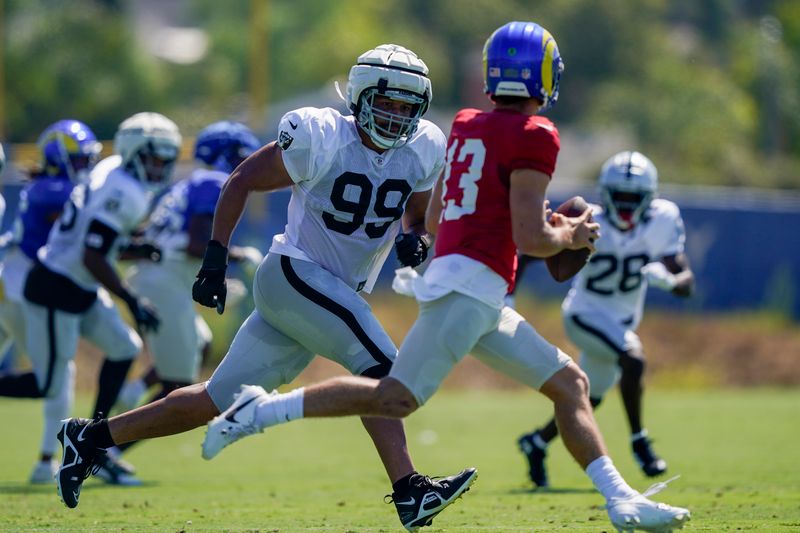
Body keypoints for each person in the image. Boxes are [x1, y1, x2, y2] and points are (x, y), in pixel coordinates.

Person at [200, 22, 692, 533]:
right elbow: (530, 238)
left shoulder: (466, 124)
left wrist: (536, 224)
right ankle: (261, 411)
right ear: (545, 74)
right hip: (468, 291)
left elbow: (435, 218)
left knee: (571, 383)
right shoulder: (536, 133)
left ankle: (621, 499)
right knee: (392, 395)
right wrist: (572, 234)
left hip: (478, 291)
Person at [54, 44, 476, 532]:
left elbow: (415, 216)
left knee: (213, 400)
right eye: (387, 102)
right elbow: (240, 181)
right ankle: (409, 490)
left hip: (326, 295)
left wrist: (415, 240)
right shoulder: (321, 136)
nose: (397, 115)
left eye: (407, 106)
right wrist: (214, 260)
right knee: (387, 371)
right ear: (360, 97)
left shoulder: (423, 146)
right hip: (295, 274)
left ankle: (90, 438)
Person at [0, 112, 181, 486]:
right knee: (49, 384)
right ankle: (86, 444)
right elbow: (92, 254)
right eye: (153, 158)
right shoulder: (124, 190)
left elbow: (99, 241)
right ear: (133, 153)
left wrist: (135, 248)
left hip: (81, 283)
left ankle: (92, 442)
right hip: (55, 286)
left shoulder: (115, 171)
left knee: (124, 347)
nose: (159, 167)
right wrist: (131, 299)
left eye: (165, 159)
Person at [519, 151, 695, 488]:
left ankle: (536, 442)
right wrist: (510, 291)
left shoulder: (664, 219)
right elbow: (532, 249)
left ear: (650, 198)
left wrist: (672, 281)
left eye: (635, 199)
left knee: (588, 397)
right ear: (605, 194)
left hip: (622, 321)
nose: (627, 207)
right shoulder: (586, 219)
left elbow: (687, 283)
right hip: (584, 314)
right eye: (620, 198)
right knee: (633, 360)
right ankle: (640, 441)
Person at [117, 120, 263, 415]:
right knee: (179, 386)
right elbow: (196, 243)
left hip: (159, 276)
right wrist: (239, 257)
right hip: (163, 280)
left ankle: (131, 393)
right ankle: (106, 448)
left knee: (200, 346)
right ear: (229, 155)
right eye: (244, 157)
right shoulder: (214, 182)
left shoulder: (192, 183)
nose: (250, 165)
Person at [0, 121, 102, 483]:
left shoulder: (42, 186)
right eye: (80, 159)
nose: (86, 166)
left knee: (51, 374)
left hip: (10, 285)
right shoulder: (56, 190)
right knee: (58, 375)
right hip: (20, 293)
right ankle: (46, 463)